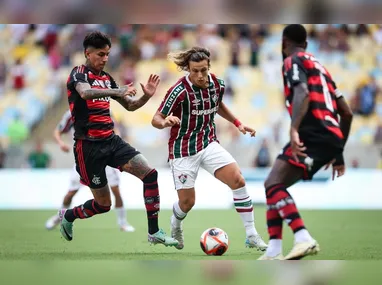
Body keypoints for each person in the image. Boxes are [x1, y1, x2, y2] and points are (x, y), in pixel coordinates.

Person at [59, 30, 178, 248]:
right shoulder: (78, 74)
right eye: (100, 54)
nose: (105, 59)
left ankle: (154, 233)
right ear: (87, 53)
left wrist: (146, 96)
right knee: (104, 205)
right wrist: (117, 92)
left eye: (107, 54)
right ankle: (69, 215)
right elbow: (85, 93)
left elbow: (131, 106)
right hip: (88, 148)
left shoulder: (107, 79)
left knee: (150, 175)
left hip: (111, 142)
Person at [151, 46, 267, 251]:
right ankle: (175, 223)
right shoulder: (178, 91)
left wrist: (237, 123)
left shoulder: (217, 84)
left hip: (208, 142)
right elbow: (156, 119)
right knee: (187, 203)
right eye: (195, 70)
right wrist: (165, 121)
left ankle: (251, 234)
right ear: (188, 69)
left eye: (203, 70)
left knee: (238, 180)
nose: (200, 75)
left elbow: (218, 104)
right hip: (183, 150)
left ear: (208, 67)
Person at [258, 24, 353, 260]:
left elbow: (302, 93)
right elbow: (347, 112)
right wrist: (338, 152)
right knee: (273, 184)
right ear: (306, 44)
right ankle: (274, 250)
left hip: (313, 132)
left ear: (284, 42)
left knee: (273, 185)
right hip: (329, 136)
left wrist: (293, 129)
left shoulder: (292, 61)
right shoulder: (321, 67)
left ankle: (303, 237)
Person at [45, 110, 135, 232]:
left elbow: (115, 128)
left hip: (106, 158)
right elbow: (58, 131)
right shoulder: (71, 113)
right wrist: (61, 143)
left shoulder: (102, 108)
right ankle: (59, 217)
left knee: (116, 190)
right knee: (70, 193)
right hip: (83, 159)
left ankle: (122, 223)